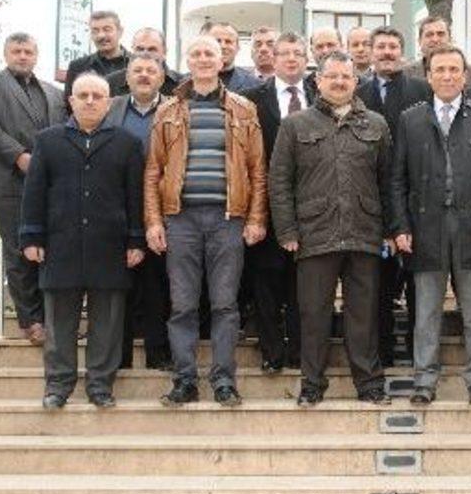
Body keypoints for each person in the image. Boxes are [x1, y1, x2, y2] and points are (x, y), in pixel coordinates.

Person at [144, 35, 268, 408]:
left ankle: (224, 380)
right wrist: (153, 222)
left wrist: (256, 218)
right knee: (182, 305)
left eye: (209, 53)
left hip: (228, 219)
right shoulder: (168, 110)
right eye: (196, 53)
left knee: (225, 304)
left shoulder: (244, 109)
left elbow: (257, 170)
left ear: (221, 60)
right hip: (179, 219)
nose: (203, 59)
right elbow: (153, 171)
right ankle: (184, 380)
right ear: (188, 60)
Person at [270, 50, 393, 408]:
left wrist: (390, 229)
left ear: (356, 81)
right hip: (314, 234)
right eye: (332, 76)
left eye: (346, 76)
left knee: (363, 315)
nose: (339, 82)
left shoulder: (376, 124)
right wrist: (287, 231)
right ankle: (311, 385)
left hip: (364, 232)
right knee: (313, 315)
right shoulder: (295, 125)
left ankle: (369, 384)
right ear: (318, 81)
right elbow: (279, 181)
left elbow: (388, 182)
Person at [392, 45, 471, 406]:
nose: (447, 76)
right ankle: (424, 381)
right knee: (426, 312)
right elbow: (397, 179)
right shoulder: (411, 119)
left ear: (465, 76)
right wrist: (400, 226)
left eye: (454, 70)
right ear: (428, 77)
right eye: (440, 70)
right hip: (425, 228)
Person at [20, 72, 145, 409]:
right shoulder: (48, 141)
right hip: (60, 245)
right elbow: (34, 193)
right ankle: (58, 386)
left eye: (97, 96)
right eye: (83, 95)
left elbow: (135, 196)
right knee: (60, 322)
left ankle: (100, 385)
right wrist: (31, 236)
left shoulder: (127, 143)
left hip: (111, 246)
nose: (90, 101)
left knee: (107, 323)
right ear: (71, 101)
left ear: (109, 102)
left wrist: (136, 241)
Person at [0, 32, 67, 345]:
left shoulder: (53, 92)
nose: (22, 56)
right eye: (16, 51)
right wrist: (19, 156)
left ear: (36, 55)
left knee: (52, 252)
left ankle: (53, 319)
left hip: (51, 184)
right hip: (9, 181)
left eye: (28, 51)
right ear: (6, 54)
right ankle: (31, 321)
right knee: (20, 254)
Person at [356, 26, 432, 366]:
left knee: (418, 285)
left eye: (393, 46)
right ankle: (382, 355)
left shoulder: (422, 90)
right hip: (369, 201)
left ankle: (419, 355)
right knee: (378, 286)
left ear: (402, 52)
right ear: (371, 52)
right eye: (381, 46)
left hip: (417, 199)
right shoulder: (356, 92)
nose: (387, 52)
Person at [239, 31, 313, 372]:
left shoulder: (321, 94)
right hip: (264, 205)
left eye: (298, 53)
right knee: (266, 283)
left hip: (312, 206)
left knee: (303, 284)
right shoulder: (251, 100)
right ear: (274, 58)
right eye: (285, 53)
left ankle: (299, 351)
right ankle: (271, 352)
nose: (291, 59)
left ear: (307, 58)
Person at [105, 53, 172, 370]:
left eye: (151, 71)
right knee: (121, 283)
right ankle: (120, 357)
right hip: (119, 205)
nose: (144, 75)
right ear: (126, 78)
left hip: (164, 205)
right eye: (137, 70)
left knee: (159, 284)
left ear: (162, 78)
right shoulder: (109, 107)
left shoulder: (177, 108)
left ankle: (158, 353)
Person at [64, 10, 129, 107]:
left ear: (120, 32)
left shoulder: (135, 66)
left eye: (107, 30)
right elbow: (69, 106)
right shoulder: (78, 67)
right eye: (95, 31)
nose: (101, 35)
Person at [104, 28, 181, 97]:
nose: (145, 54)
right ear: (132, 51)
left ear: (164, 53)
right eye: (140, 49)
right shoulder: (111, 83)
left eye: (152, 49)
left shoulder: (181, 84)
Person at [204, 21, 262, 93]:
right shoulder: (190, 82)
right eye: (218, 41)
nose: (223, 46)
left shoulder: (255, 84)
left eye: (228, 41)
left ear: (237, 48)